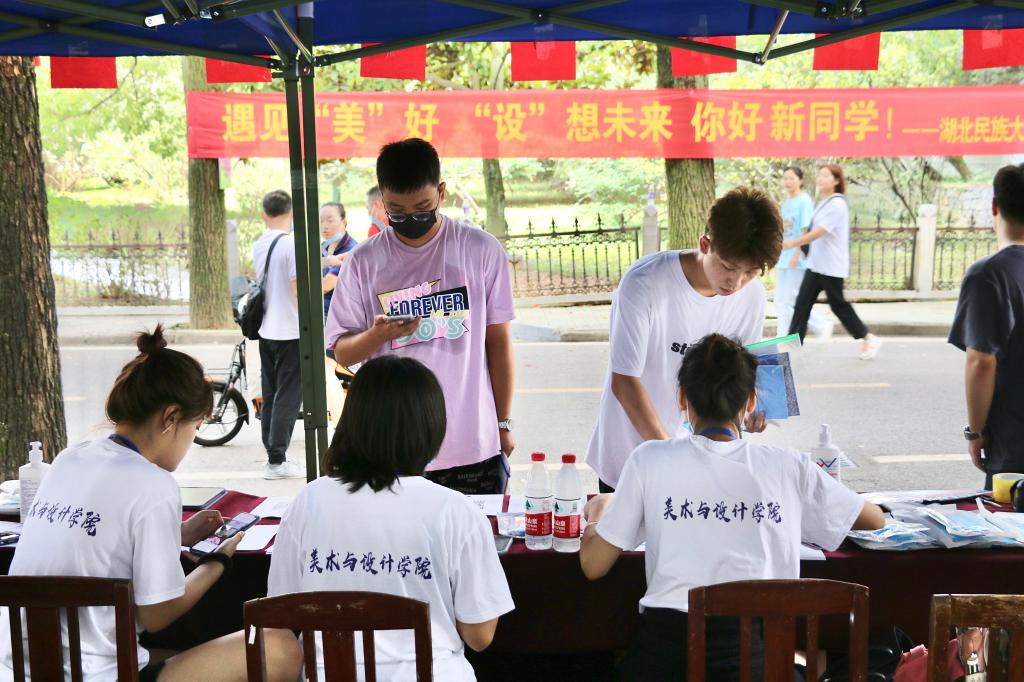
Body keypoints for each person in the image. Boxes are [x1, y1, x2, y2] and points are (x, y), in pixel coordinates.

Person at [0, 327, 300, 682]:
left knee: (173, 652)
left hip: (17, 670)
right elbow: (158, 614)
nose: (190, 442)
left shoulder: (70, 459)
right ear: (171, 418)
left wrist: (177, 535)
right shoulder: (154, 484)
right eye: (195, 427)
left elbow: (101, 541)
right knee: (279, 647)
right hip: (100, 675)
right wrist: (219, 560)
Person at [579, 333, 885, 681]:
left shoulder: (649, 459)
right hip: (760, 663)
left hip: (667, 658)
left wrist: (599, 512)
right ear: (751, 400)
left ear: (682, 398)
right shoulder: (788, 466)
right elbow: (873, 519)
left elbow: (593, 566)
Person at [267, 355, 514, 681]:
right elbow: (479, 636)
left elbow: (281, 612)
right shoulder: (456, 511)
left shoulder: (308, 501)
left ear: (352, 423)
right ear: (432, 428)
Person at [325, 139, 516, 495]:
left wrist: (503, 422)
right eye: (397, 210)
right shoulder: (363, 262)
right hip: (392, 447)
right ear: (382, 202)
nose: (410, 218)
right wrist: (377, 335)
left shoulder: (480, 250)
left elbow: (498, 343)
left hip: (471, 445)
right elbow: (343, 353)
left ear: (441, 193)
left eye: (422, 207)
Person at [585, 187, 782, 492]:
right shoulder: (645, 283)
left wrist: (753, 409)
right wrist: (672, 456)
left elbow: (738, 373)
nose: (736, 282)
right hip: (632, 455)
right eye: (728, 267)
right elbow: (624, 381)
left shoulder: (752, 297)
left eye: (751, 273)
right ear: (705, 244)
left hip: (704, 462)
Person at [948, 162, 1024, 488]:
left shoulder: (989, 275)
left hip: (1015, 446)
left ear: (994, 207)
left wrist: (975, 432)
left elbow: (981, 361)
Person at [783, 164, 882, 360]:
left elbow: (819, 231)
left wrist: (793, 243)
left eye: (825, 176)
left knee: (839, 306)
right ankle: (793, 344)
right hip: (816, 265)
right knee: (802, 304)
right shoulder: (824, 202)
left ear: (836, 181)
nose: (820, 179)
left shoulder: (837, 204)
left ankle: (868, 337)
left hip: (830, 267)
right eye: (819, 175)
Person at [251, 190, 305, 479]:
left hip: (267, 330)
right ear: (292, 213)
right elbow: (297, 290)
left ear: (264, 215)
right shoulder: (291, 243)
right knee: (289, 395)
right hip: (291, 331)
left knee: (271, 393)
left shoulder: (261, 244)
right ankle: (277, 460)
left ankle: (273, 456)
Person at [774, 166, 833, 340]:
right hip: (784, 256)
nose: (788, 182)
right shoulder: (787, 202)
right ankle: (783, 335)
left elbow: (806, 229)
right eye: (785, 178)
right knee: (780, 300)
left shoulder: (804, 201)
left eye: (792, 178)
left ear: (800, 180)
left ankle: (821, 324)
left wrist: (797, 254)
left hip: (796, 257)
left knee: (792, 299)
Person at [320, 201, 358, 318]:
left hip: (336, 316)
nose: (324, 226)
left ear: (344, 221)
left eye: (330, 220)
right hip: (320, 310)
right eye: (321, 221)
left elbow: (325, 287)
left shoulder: (351, 250)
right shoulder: (323, 246)